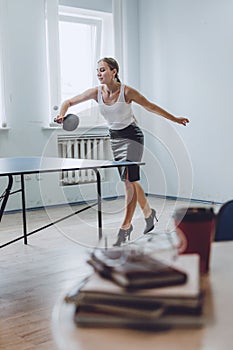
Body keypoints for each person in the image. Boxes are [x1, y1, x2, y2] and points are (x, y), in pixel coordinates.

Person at [56, 57, 189, 246]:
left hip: (132, 136)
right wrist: (61, 114)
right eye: (97, 71)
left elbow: (150, 106)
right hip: (115, 139)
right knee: (131, 181)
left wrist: (175, 119)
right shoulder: (96, 92)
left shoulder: (126, 92)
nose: (99, 74)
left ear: (114, 71)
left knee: (128, 182)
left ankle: (125, 227)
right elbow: (68, 101)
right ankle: (149, 214)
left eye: (102, 70)